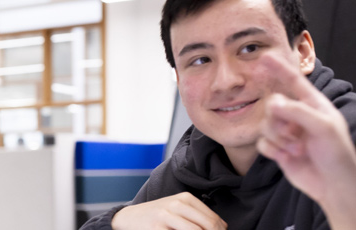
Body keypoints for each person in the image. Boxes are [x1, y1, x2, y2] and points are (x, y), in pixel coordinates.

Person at [81, 0, 356, 229]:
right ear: (178, 78)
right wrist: (117, 222)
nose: (225, 81)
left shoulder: (345, 147)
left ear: (303, 53)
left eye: (250, 48)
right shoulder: (193, 165)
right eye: (200, 60)